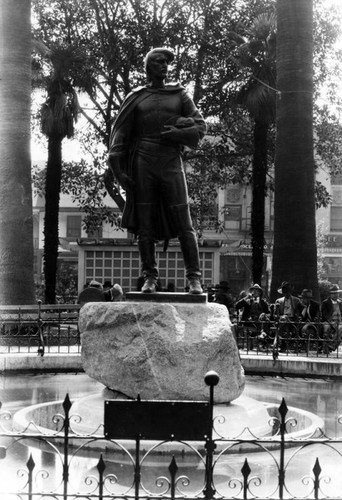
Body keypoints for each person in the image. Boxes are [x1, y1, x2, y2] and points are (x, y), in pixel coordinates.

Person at [107, 47, 206, 295]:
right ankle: (149, 277)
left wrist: (180, 134)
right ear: (149, 67)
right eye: (159, 62)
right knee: (146, 226)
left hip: (171, 161)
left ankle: (194, 279)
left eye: (166, 62)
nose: (164, 66)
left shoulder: (180, 95)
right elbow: (120, 135)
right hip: (143, 162)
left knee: (185, 223)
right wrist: (119, 173)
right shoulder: (136, 97)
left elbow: (200, 126)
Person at [321, 284, 342, 352]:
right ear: (330, 294)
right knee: (327, 328)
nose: (336, 295)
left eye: (337, 293)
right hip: (328, 321)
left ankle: (332, 345)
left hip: (340, 321)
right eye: (334, 294)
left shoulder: (340, 302)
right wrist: (331, 322)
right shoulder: (325, 303)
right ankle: (326, 347)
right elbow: (324, 315)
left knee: (341, 328)